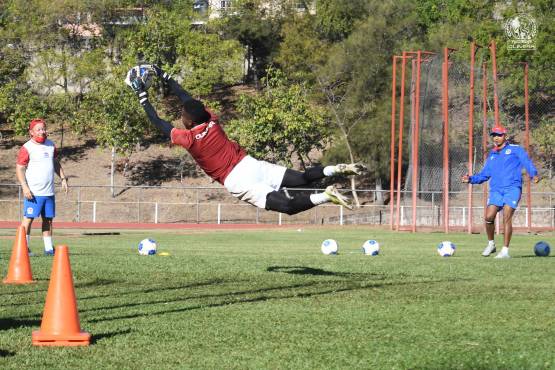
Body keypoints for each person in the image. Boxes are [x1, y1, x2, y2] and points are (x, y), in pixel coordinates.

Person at [125, 64, 366, 215]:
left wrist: (142, 95)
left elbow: (158, 122)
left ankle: (326, 196)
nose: (181, 116)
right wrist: (162, 74)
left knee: (287, 207)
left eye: (182, 116)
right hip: (250, 164)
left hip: (237, 179)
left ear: (188, 121)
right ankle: (335, 169)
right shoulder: (213, 120)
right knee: (301, 178)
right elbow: (187, 98)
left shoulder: (188, 138)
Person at [462, 125, 538, 259]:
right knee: (488, 217)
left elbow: (526, 162)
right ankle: (491, 244)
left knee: (506, 216)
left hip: (512, 188)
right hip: (496, 190)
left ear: (505, 136)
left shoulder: (515, 150)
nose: (496, 138)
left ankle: (505, 251)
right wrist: (471, 179)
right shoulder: (492, 155)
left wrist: (533, 174)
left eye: (499, 135)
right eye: (494, 135)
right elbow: (485, 175)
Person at [16, 119, 68, 256]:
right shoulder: (27, 147)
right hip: (33, 192)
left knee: (48, 220)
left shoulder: (51, 145)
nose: (42, 131)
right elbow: (20, 168)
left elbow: (55, 163)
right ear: (31, 132)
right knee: (28, 219)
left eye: (43, 129)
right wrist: (25, 187)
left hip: (49, 192)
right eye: (38, 129)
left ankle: (49, 248)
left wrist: (63, 178)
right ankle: (24, 248)